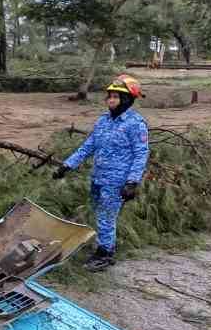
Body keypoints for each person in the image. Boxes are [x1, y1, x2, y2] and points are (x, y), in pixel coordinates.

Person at [53, 74, 150, 271]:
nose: (111, 100)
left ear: (127, 99)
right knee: (100, 214)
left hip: (117, 182)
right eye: (110, 96)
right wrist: (67, 165)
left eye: (116, 96)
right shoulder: (103, 121)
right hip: (98, 178)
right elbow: (88, 147)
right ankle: (104, 246)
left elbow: (141, 154)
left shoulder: (135, 124)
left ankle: (105, 254)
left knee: (106, 216)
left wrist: (132, 182)